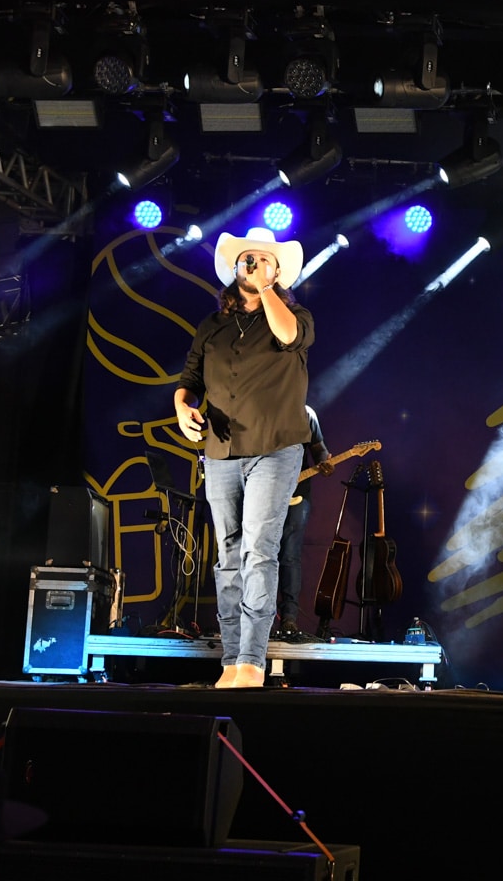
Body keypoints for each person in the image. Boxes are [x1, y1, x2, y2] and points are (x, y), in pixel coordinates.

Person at [174, 227, 314, 689]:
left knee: (259, 550)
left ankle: (253, 659)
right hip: (220, 451)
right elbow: (190, 379)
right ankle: (232, 659)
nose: (253, 265)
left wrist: (267, 287)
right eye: (246, 259)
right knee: (228, 555)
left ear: (277, 271)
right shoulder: (212, 326)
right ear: (233, 268)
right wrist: (182, 407)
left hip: (274, 448)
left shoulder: (296, 316)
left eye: (263, 259)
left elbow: (288, 335)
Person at [274, 404, 333, 639]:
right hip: (264, 491)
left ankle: (289, 618)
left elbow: (319, 448)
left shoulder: (306, 414)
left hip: (298, 492)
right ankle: (256, 617)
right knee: (260, 555)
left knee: (290, 554)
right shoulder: (262, 406)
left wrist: (324, 461)